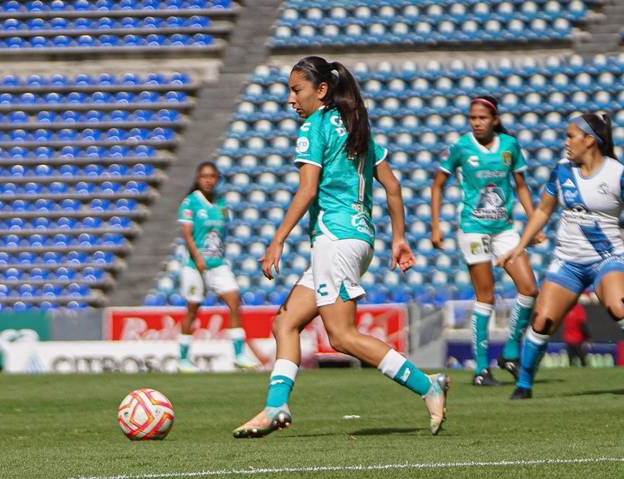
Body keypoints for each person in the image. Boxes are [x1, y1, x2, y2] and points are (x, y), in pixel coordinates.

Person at [232, 56, 449, 438]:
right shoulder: (357, 126)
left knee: (342, 336)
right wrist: (399, 238)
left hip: (335, 238)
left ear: (321, 91)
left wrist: (277, 240)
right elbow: (394, 187)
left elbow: (307, 190)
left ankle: (426, 384)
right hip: (357, 237)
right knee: (285, 322)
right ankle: (275, 406)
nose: (290, 99)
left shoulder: (314, 127)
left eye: (296, 90)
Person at [498, 112, 624, 399]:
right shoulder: (562, 170)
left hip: (607, 259)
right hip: (568, 262)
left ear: (589, 140)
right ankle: (524, 385)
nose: (565, 142)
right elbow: (543, 210)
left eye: (570, 136)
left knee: (619, 306)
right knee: (541, 321)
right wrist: (520, 246)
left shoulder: (618, 173)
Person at [431, 96, 543, 386]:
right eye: (472, 118)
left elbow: (521, 186)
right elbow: (438, 184)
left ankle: (509, 352)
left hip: (504, 229)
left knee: (529, 289)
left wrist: (534, 222)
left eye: (482, 118)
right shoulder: (461, 147)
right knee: (486, 296)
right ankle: (481, 369)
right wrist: (435, 226)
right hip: (473, 228)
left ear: (494, 119)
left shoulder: (509, 146)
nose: (476, 123)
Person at [176, 162, 258, 372]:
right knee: (193, 310)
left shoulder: (221, 204)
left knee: (234, 301)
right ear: (197, 178)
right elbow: (186, 233)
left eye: (212, 176)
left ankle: (239, 355)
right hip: (195, 266)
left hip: (218, 264)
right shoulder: (190, 202)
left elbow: (221, 234)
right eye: (204, 176)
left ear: (217, 178)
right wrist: (197, 258)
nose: (208, 180)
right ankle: (183, 359)